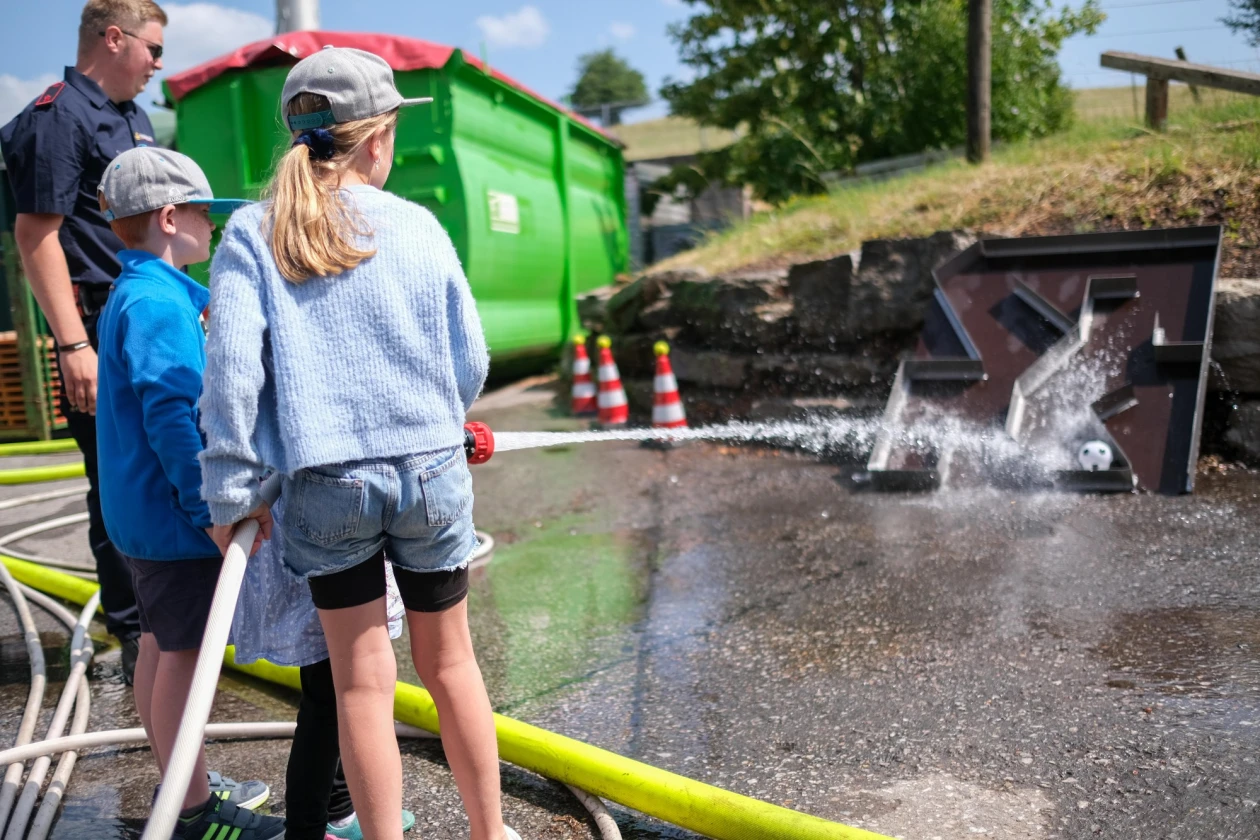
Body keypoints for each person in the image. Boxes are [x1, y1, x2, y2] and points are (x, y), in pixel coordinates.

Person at [199, 47, 519, 840]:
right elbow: (470, 362)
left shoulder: (252, 231)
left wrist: (233, 496)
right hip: (431, 469)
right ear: (377, 139)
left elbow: (232, 376)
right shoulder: (418, 226)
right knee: (452, 669)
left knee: (361, 686)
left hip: (327, 484)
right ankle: (489, 832)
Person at [94, 146, 283, 840]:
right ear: (171, 218)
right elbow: (173, 415)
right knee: (182, 655)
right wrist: (211, 510)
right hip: (174, 519)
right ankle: (195, 811)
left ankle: (183, 778)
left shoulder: (142, 292)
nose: (215, 231)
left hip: (140, 514)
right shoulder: (157, 305)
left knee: (156, 644)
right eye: (207, 216)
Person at [0, 0, 167, 683]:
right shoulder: (57, 116)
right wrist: (75, 348)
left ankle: (168, 624)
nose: (161, 64)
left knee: (161, 472)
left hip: (146, 314)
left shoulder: (134, 117)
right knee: (118, 483)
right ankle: (137, 640)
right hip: (97, 323)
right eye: (153, 49)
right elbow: (35, 234)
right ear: (114, 37)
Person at [231, 498, 417, 840]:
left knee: (334, 691)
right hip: (327, 520)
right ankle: (311, 828)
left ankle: (337, 808)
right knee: (335, 695)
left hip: (317, 517)